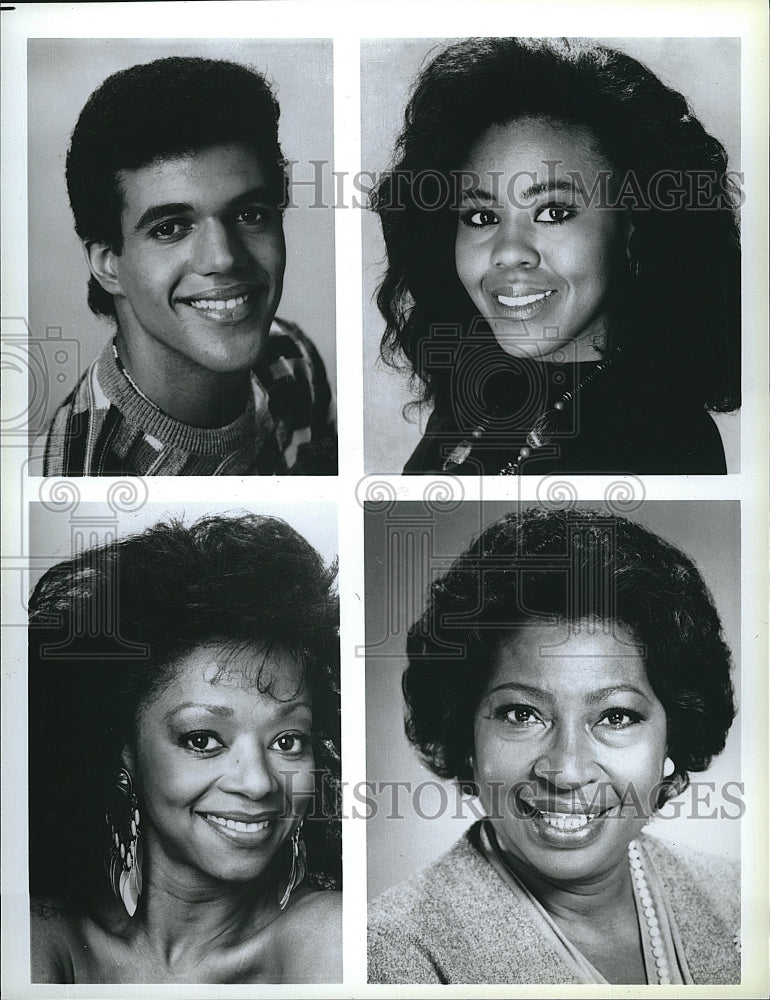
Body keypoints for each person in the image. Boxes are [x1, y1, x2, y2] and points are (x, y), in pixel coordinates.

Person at [368, 507, 739, 984]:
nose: (566, 771)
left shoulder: (739, 896)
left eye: (615, 717)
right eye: (522, 715)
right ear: (465, 736)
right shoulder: (393, 954)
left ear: (675, 734)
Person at [371, 38, 740, 474]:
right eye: (481, 216)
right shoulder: (476, 402)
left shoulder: (664, 437)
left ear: (633, 225)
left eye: (553, 212)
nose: (508, 251)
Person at [29, 514, 341, 983]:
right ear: (124, 753)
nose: (257, 783)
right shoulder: (44, 940)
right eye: (203, 740)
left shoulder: (329, 939)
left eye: (287, 741)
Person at [34, 56, 336, 476]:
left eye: (249, 215)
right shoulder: (76, 471)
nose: (223, 257)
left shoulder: (291, 358)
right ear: (108, 265)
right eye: (171, 227)